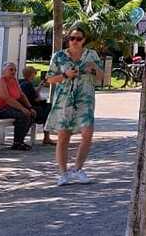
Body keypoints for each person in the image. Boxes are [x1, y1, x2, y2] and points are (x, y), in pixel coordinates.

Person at [46, 29, 102, 186]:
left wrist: (93, 68)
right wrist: (65, 75)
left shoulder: (91, 55)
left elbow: (102, 77)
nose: (74, 41)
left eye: (78, 38)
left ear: (84, 40)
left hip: (85, 99)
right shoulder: (59, 56)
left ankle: (77, 169)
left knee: (87, 133)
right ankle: (63, 173)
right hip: (64, 100)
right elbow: (49, 78)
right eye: (71, 38)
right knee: (63, 136)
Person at [0, 62, 37, 151]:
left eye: (15, 70)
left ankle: (20, 141)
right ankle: (17, 143)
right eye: (11, 70)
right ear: (4, 71)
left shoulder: (14, 80)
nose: (13, 72)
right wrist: (22, 108)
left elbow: (21, 95)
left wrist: (30, 107)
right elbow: (7, 98)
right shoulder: (0, 81)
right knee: (23, 115)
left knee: (31, 114)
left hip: (8, 108)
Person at [19, 65, 51, 139]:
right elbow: (35, 99)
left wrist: (40, 86)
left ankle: (46, 137)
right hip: (31, 108)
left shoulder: (22, 82)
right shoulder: (28, 84)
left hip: (26, 106)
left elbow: (33, 94)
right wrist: (42, 99)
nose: (35, 75)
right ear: (31, 74)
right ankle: (46, 137)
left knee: (47, 107)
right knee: (49, 109)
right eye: (34, 73)